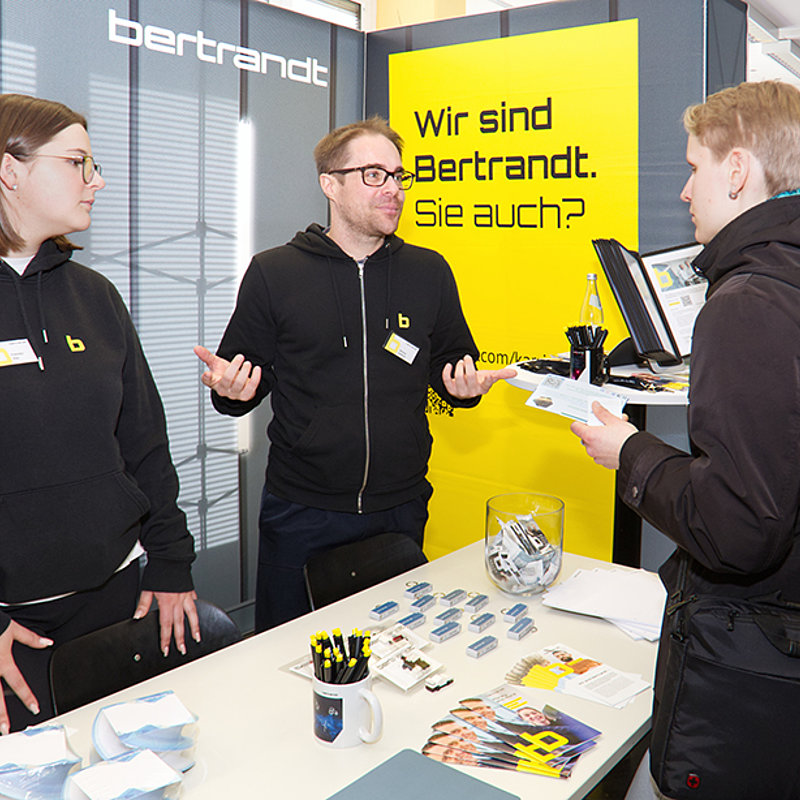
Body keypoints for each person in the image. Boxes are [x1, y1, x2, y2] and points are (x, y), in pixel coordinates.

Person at [570, 80, 800, 799]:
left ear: (737, 171)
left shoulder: (747, 304)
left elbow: (740, 528)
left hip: (752, 655)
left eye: (694, 168)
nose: (684, 191)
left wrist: (629, 453)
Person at [195, 117, 513, 631]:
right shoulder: (274, 272)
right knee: (287, 652)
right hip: (301, 510)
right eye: (374, 174)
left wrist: (463, 387)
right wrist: (232, 391)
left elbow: (454, 365)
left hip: (400, 508)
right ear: (330, 184)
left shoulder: (429, 271)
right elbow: (238, 385)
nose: (393, 188)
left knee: (400, 652)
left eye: (399, 176)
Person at [0, 94, 199, 734]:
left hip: (118, 598)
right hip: (12, 628)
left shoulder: (95, 295)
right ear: (10, 170)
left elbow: (143, 443)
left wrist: (170, 561)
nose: (97, 180)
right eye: (78, 162)